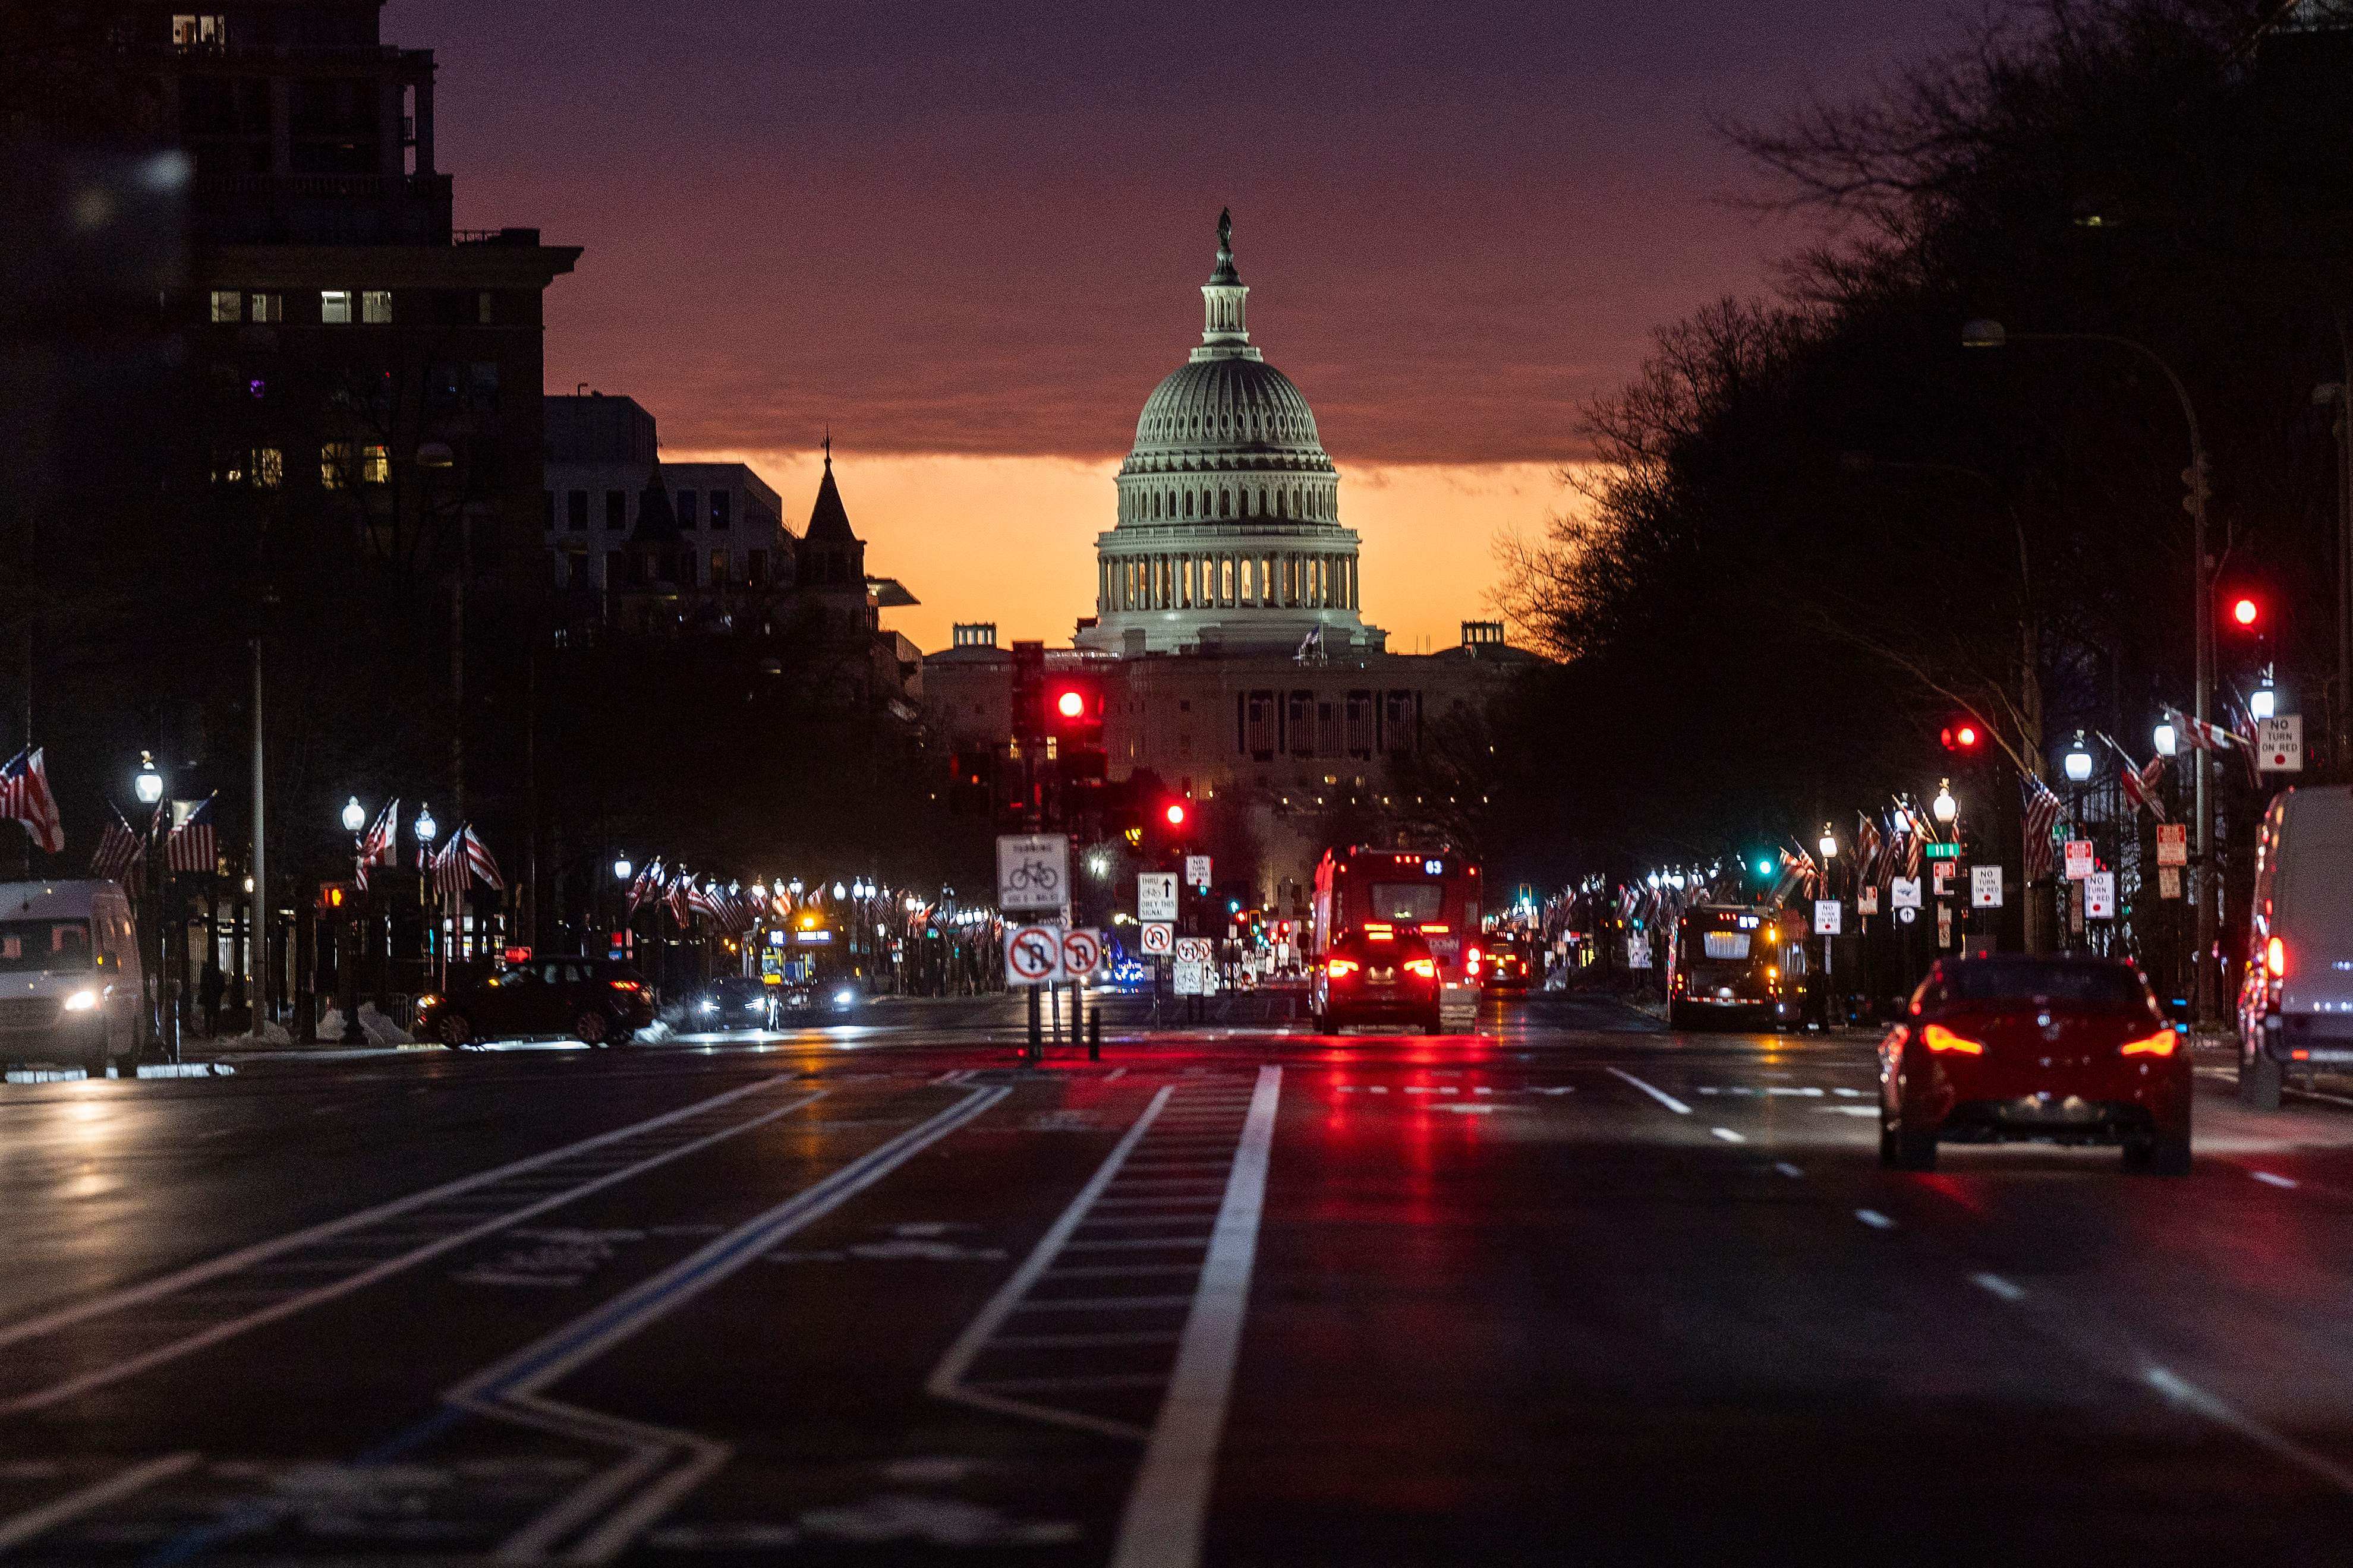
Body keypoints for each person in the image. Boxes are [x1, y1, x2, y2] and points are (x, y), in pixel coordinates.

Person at [199, 958, 226, 1039]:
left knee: (208, 1016)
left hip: (209, 999)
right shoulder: (220, 977)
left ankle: (208, 1032)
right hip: (216, 999)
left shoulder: (207, 977)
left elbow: (203, 987)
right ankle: (214, 1033)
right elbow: (222, 988)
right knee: (215, 1016)